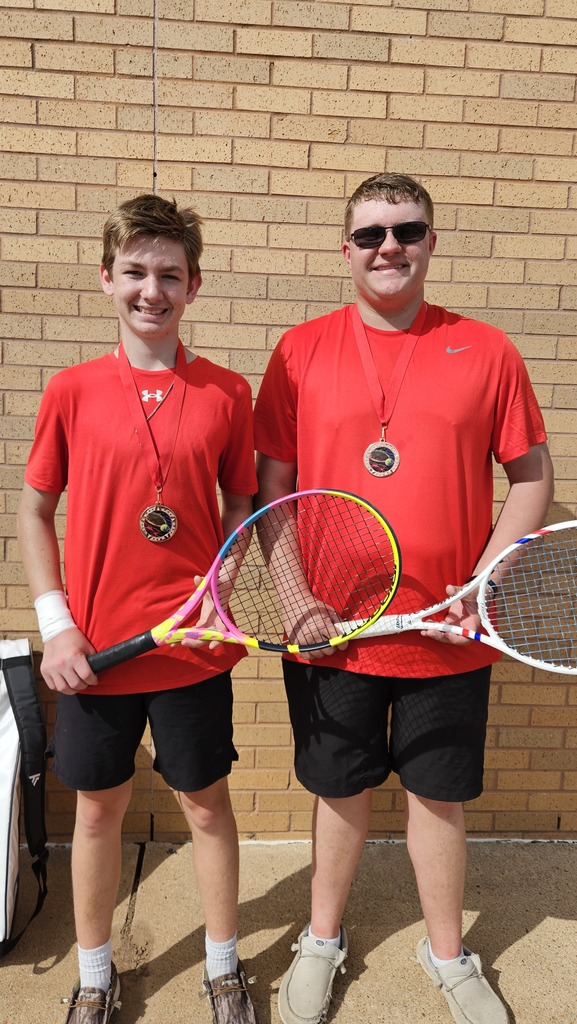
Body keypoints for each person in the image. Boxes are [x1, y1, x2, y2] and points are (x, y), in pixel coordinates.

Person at [253, 172, 553, 1024]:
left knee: (437, 796)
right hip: (333, 629)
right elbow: (271, 491)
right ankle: (321, 940)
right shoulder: (299, 350)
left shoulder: (485, 350)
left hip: (445, 630)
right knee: (338, 790)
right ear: (345, 250)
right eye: (370, 234)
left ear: (430, 241)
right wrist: (295, 600)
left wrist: (482, 584)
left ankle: (447, 954)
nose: (389, 247)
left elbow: (531, 478)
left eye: (407, 230)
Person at [17, 194, 259, 1024]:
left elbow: (241, 506)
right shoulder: (71, 390)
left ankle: (223, 969)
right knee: (97, 812)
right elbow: (34, 510)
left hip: (192, 649)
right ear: (106, 278)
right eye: (134, 272)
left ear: (194, 285)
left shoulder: (226, 391)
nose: (151, 290)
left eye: (169, 275)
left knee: (205, 807)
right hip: (95, 655)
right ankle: (94, 976)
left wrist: (220, 589)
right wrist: (57, 628)